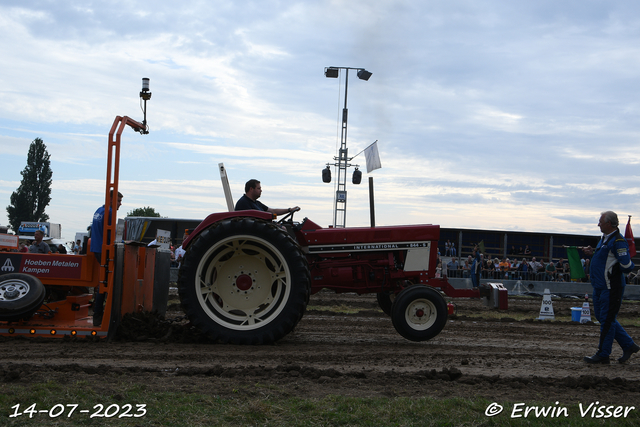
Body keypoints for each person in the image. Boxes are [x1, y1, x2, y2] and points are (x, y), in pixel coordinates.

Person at [582, 211, 639, 364]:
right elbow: (608, 258)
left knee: (607, 320)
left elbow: (626, 265)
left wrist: (620, 268)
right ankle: (629, 345)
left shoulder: (618, 241)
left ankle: (603, 354)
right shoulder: (605, 239)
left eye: (600, 221)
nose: (598, 224)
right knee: (604, 318)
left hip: (611, 287)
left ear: (609, 223)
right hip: (601, 287)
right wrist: (593, 252)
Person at [90, 190, 123, 326]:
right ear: (110, 199)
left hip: (97, 248)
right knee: (109, 284)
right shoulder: (109, 212)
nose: (120, 204)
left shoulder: (99, 210)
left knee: (104, 282)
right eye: (118, 201)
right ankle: (101, 315)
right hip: (104, 250)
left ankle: (98, 314)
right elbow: (110, 234)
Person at [235, 179, 300, 216]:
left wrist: (289, 210)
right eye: (258, 188)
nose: (261, 190)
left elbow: (273, 211)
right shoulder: (243, 203)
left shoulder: (257, 203)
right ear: (251, 189)